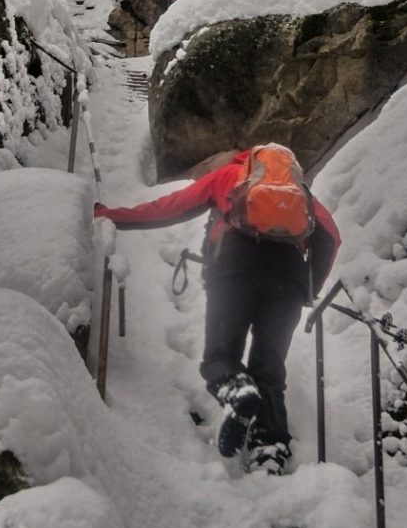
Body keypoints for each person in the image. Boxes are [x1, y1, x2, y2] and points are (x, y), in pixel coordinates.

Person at [94, 144, 340, 474]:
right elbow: (330, 236)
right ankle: (270, 451)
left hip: (235, 267)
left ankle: (237, 391)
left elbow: (171, 207)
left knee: (220, 357)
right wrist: (309, 289)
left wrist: (112, 216)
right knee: (269, 365)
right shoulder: (300, 194)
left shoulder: (229, 176)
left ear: (247, 160)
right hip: (289, 277)